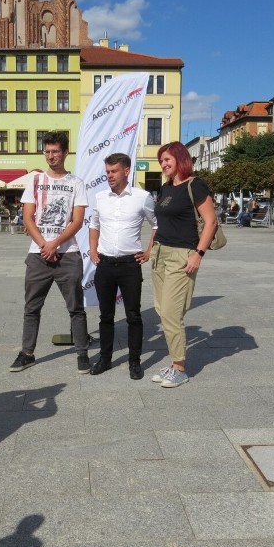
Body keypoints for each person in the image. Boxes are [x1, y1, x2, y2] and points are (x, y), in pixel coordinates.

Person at [9, 131, 90, 374]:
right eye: (47, 152)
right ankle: (27, 354)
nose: (51, 156)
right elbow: (27, 217)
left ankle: (82, 353)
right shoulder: (34, 181)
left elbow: (77, 221)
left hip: (68, 254)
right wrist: (45, 244)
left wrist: (55, 244)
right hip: (38, 254)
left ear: (66, 153)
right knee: (31, 307)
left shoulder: (76, 183)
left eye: (55, 151)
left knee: (76, 307)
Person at [150, 141, 218, 388]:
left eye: (167, 159)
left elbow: (210, 222)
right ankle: (173, 363)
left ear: (181, 159)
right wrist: (151, 249)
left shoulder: (195, 185)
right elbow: (160, 224)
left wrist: (198, 254)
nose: (164, 164)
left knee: (171, 312)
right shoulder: (166, 188)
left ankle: (179, 367)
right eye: (161, 161)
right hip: (160, 254)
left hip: (182, 255)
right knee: (162, 309)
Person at [88, 153, 157, 380]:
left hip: (129, 265)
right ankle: (105, 359)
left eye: (113, 171)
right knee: (105, 316)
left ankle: (134, 362)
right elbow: (94, 224)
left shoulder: (142, 197)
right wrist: (93, 248)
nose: (109, 176)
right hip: (105, 265)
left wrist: (149, 251)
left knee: (133, 315)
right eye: (107, 171)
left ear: (126, 171)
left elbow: (157, 225)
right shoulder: (100, 198)